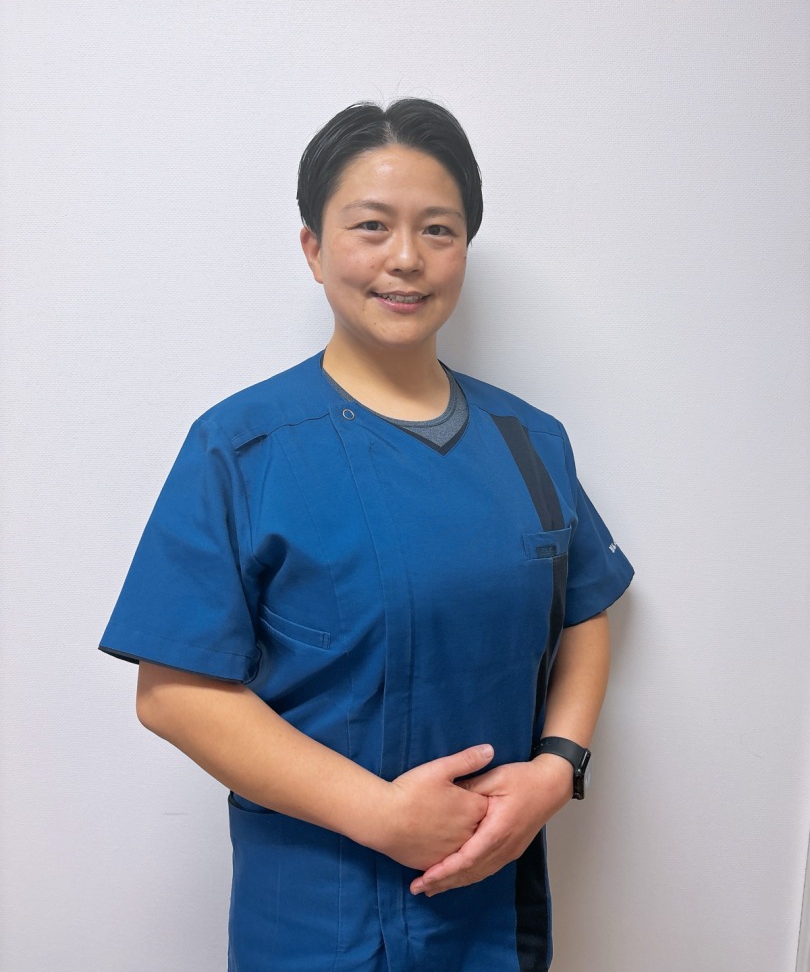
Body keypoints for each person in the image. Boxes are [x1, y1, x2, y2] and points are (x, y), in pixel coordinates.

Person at [99, 98, 633, 972]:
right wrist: (378, 814)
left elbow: (584, 611)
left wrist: (557, 766)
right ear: (313, 249)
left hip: (494, 906)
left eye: (439, 229)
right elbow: (173, 691)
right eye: (372, 226)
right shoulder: (242, 447)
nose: (406, 258)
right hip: (320, 914)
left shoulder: (530, 441)